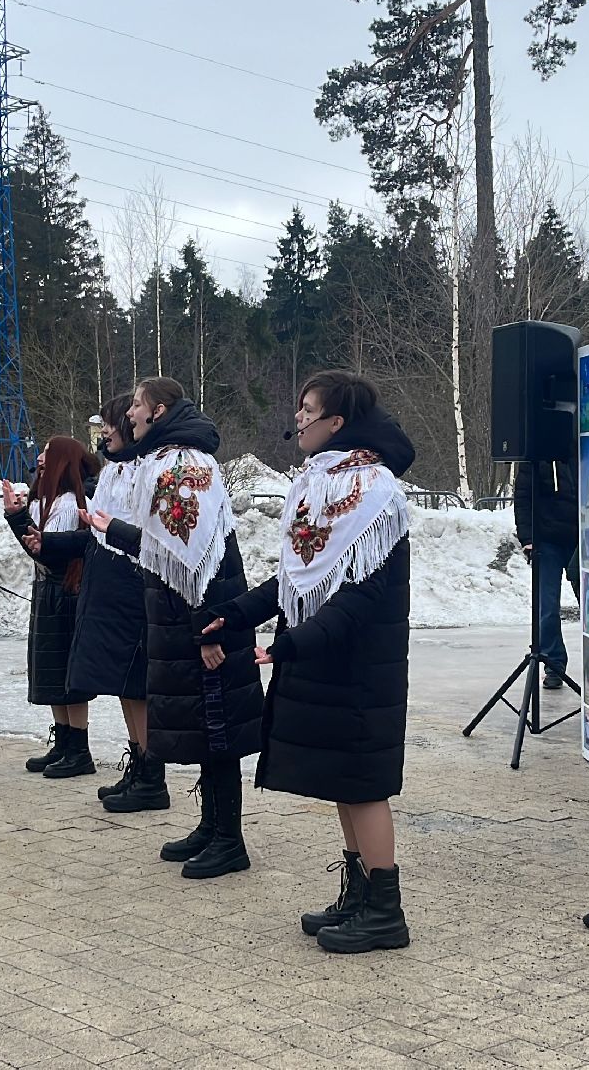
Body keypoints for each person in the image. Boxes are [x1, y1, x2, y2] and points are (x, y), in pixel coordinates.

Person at [201, 370, 415, 953]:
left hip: (358, 664)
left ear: (336, 423)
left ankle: (385, 911)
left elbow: (362, 594)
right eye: (298, 406)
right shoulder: (319, 485)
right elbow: (298, 579)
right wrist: (238, 613)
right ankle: (361, 893)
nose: (297, 417)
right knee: (343, 783)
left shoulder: (375, 494)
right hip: (325, 659)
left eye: (307, 408)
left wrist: (294, 642)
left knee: (365, 784)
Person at [85, 378, 264, 878]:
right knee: (207, 729)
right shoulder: (169, 460)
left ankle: (230, 839)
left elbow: (194, 558)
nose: (131, 414)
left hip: (204, 616)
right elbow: (163, 546)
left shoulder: (182, 465)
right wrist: (112, 530)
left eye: (138, 405)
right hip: (186, 614)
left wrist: (206, 630)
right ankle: (212, 825)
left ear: (158, 411)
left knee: (217, 724)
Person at [22, 398, 165, 813]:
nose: (101, 434)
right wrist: (46, 541)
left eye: (107, 426)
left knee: (136, 686)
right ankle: (139, 767)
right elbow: (94, 538)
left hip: (131, 590)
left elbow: (144, 537)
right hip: (109, 592)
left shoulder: (143, 471)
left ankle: (151, 776)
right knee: (125, 688)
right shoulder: (115, 471)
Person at [2, 437, 102, 779]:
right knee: (50, 670)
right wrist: (18, 514)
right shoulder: (50, 500)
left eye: (48, 453)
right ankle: (63, 742)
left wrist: (17, 520)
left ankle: (79, 749)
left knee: (66, 673)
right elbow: (39, 548)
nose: (41, 458)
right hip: (52, 591)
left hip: (67, 594)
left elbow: (48, 552)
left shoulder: (73, 503)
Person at [513, 458, 580, 690]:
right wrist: (528, 538)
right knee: (547, 607)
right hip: (547, 541)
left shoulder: (578, 447)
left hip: (579, 539)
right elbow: (522, 497)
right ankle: (553, 664)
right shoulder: (534, 456)